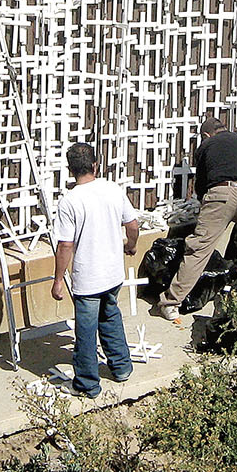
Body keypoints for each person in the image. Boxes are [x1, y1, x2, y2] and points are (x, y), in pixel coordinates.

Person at [152, 117, 237, 325]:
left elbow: (202, 184)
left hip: (221, 195)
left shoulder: (206, 145)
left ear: (206, 135)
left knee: (198, 250)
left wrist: (204, 205)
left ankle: (170, 304)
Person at [51, 142, 140, 398]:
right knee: (110, 316)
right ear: (95, 165)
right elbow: (132, 225)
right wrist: (131, 246)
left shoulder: (70, 201)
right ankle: (121, 367)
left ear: (71, 170)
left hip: (88, 278)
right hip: (112, 274)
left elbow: (65, 244)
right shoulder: (112, 189)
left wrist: (58, 280)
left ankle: (88, 384)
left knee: (86, 331)